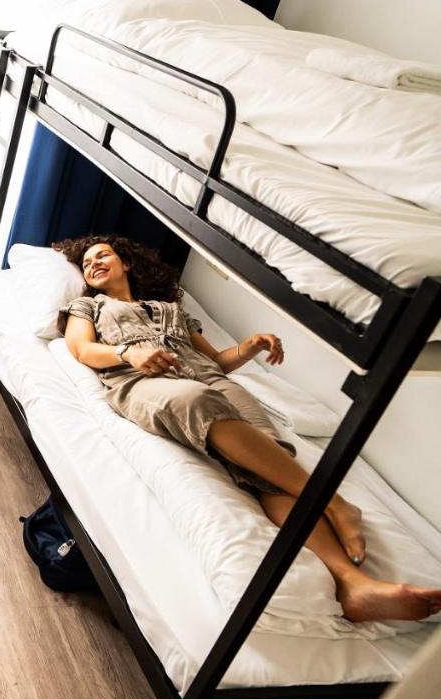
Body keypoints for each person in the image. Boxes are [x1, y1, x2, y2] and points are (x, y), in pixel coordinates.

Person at [56, 234, 441, 624]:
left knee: (269, 464)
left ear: (126, 263)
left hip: (210, 379)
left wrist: (249, 347)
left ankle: (354, 583)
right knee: (196, 401)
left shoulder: (172, 308)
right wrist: (129, 352)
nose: (93, 264)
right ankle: (336, 505)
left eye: (102, 255)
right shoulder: (89, 306)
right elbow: (82, 350)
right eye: (87, 263)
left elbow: (215, 360)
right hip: (142, 380)